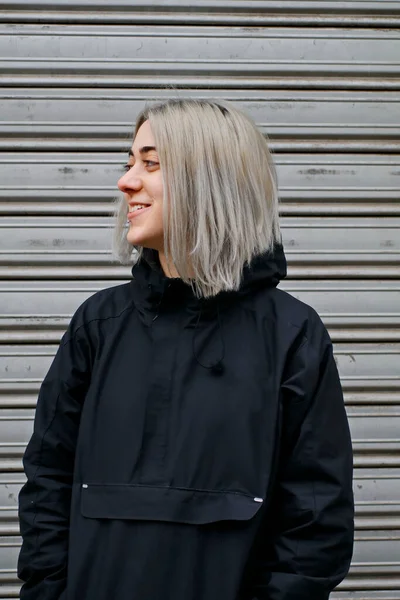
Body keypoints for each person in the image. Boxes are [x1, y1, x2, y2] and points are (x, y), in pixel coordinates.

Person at [18, 99, 354, 600]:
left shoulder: (292, 335)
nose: (126, 182)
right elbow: (47, 485)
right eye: (130, 163)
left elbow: (314, 523)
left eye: (151, 164)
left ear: (210, 179)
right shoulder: (99, 325)